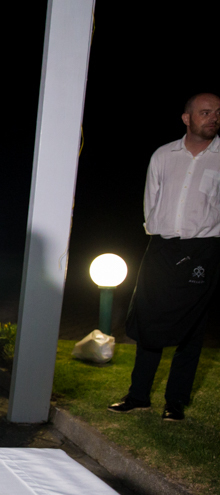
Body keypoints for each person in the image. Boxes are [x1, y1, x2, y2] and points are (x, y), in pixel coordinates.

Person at [109, 92, 220, 422]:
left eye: (217, 113)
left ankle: (175, 401)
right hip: (162, 247)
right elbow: (150, 202)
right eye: (204, 112)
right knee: (149, 319)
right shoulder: (162, 155)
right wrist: (160, 231)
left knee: (192, 328)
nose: (213, 118)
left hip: (203, 250)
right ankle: (138, 396)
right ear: (187, 118)